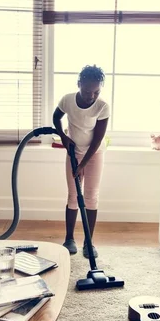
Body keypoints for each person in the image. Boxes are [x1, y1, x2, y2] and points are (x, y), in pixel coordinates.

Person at [53, 65, 110, 258]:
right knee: (72, 196)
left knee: (91, 196)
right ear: (79, 84)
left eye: (96, 92)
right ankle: (69, 239)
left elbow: (97, 140)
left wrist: (83, 165)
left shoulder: (102, 106)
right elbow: (56, 117)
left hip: (94, 155)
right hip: (72, 152)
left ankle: (88, 242)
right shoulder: (67, 100)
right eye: (87, 91)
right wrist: (62, 136)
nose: (91, 96)